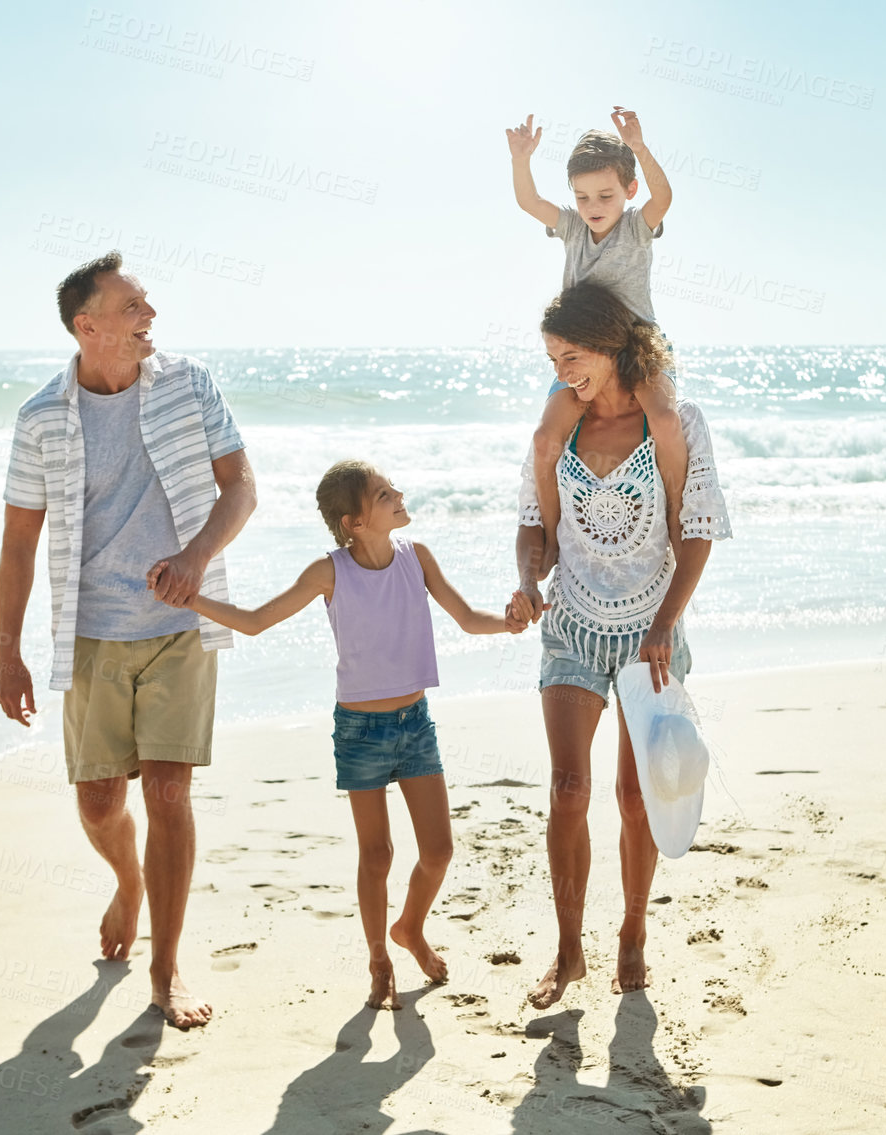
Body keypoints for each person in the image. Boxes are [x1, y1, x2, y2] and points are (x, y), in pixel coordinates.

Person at [156, 460, 527, 1009]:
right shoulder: (329, 572)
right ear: (354, 521)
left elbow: (468, 618)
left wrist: (510, 621)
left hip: (414, 724)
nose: (398, 494)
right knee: (376, 855)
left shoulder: (416, 558)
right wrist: (192, 600)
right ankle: (379, 958)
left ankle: (411, 929)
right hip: (359, 731)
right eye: (383, 494)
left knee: (440, 851)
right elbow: (258, 620)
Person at [0, 250, 256, 1029]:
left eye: (149, 304)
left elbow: (241, 486)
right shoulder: (41, 416)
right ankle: (128, 880)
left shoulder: (188, 384)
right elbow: (18, 541)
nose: (150, 317)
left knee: (170, 792)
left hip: (180, 621)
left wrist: (196, 556)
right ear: (89, 324)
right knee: (101, 801)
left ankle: (167, 969)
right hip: (92, 633)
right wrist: (8, 650)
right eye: (134, 306)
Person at [506, 283, 732, 1008]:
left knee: (637, 795)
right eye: (552, 359)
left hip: (650, 631)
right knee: (568, 790)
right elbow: (532, 527)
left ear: (610, 345)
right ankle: (569, 947)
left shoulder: (676, 422)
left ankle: (632, 929)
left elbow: (695, 529)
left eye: (573, 356)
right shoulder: (556, 434)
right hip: (571, 622)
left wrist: (666, 622)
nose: (562, 371)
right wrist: (528, 579)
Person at [505, 106, 686, 569]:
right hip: (583, 355)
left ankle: (677, 523)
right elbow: (529, 203)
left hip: (635, 349)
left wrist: (640, 148)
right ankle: (550, 538)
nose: (593, 207)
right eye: (583, 197)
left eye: (605, 194)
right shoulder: (571, 228)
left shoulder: (635, 228)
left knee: (665, 422)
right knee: (546, 438)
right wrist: (521, 159)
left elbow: (664, 198)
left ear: (628, 190)